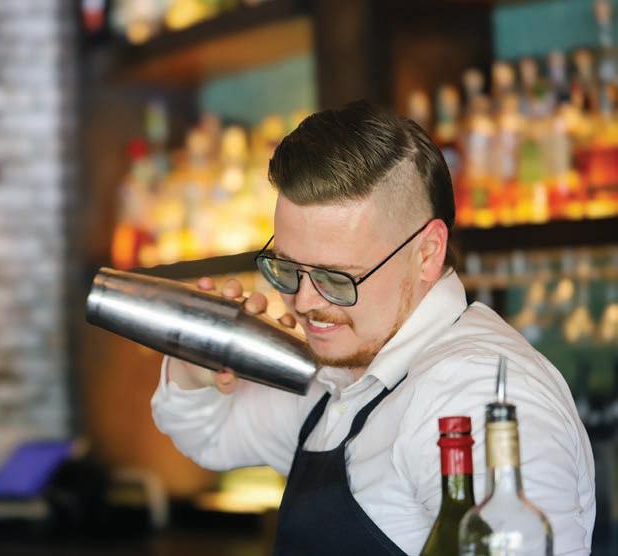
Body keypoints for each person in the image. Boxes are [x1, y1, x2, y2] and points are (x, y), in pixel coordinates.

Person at [150, 100, 595, 555]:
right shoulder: (342, 373)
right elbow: (210, 434)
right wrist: (197, 361)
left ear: (427, 253)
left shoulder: (474, 394)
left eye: (336, 278)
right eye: (287, 268)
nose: (304, 302)